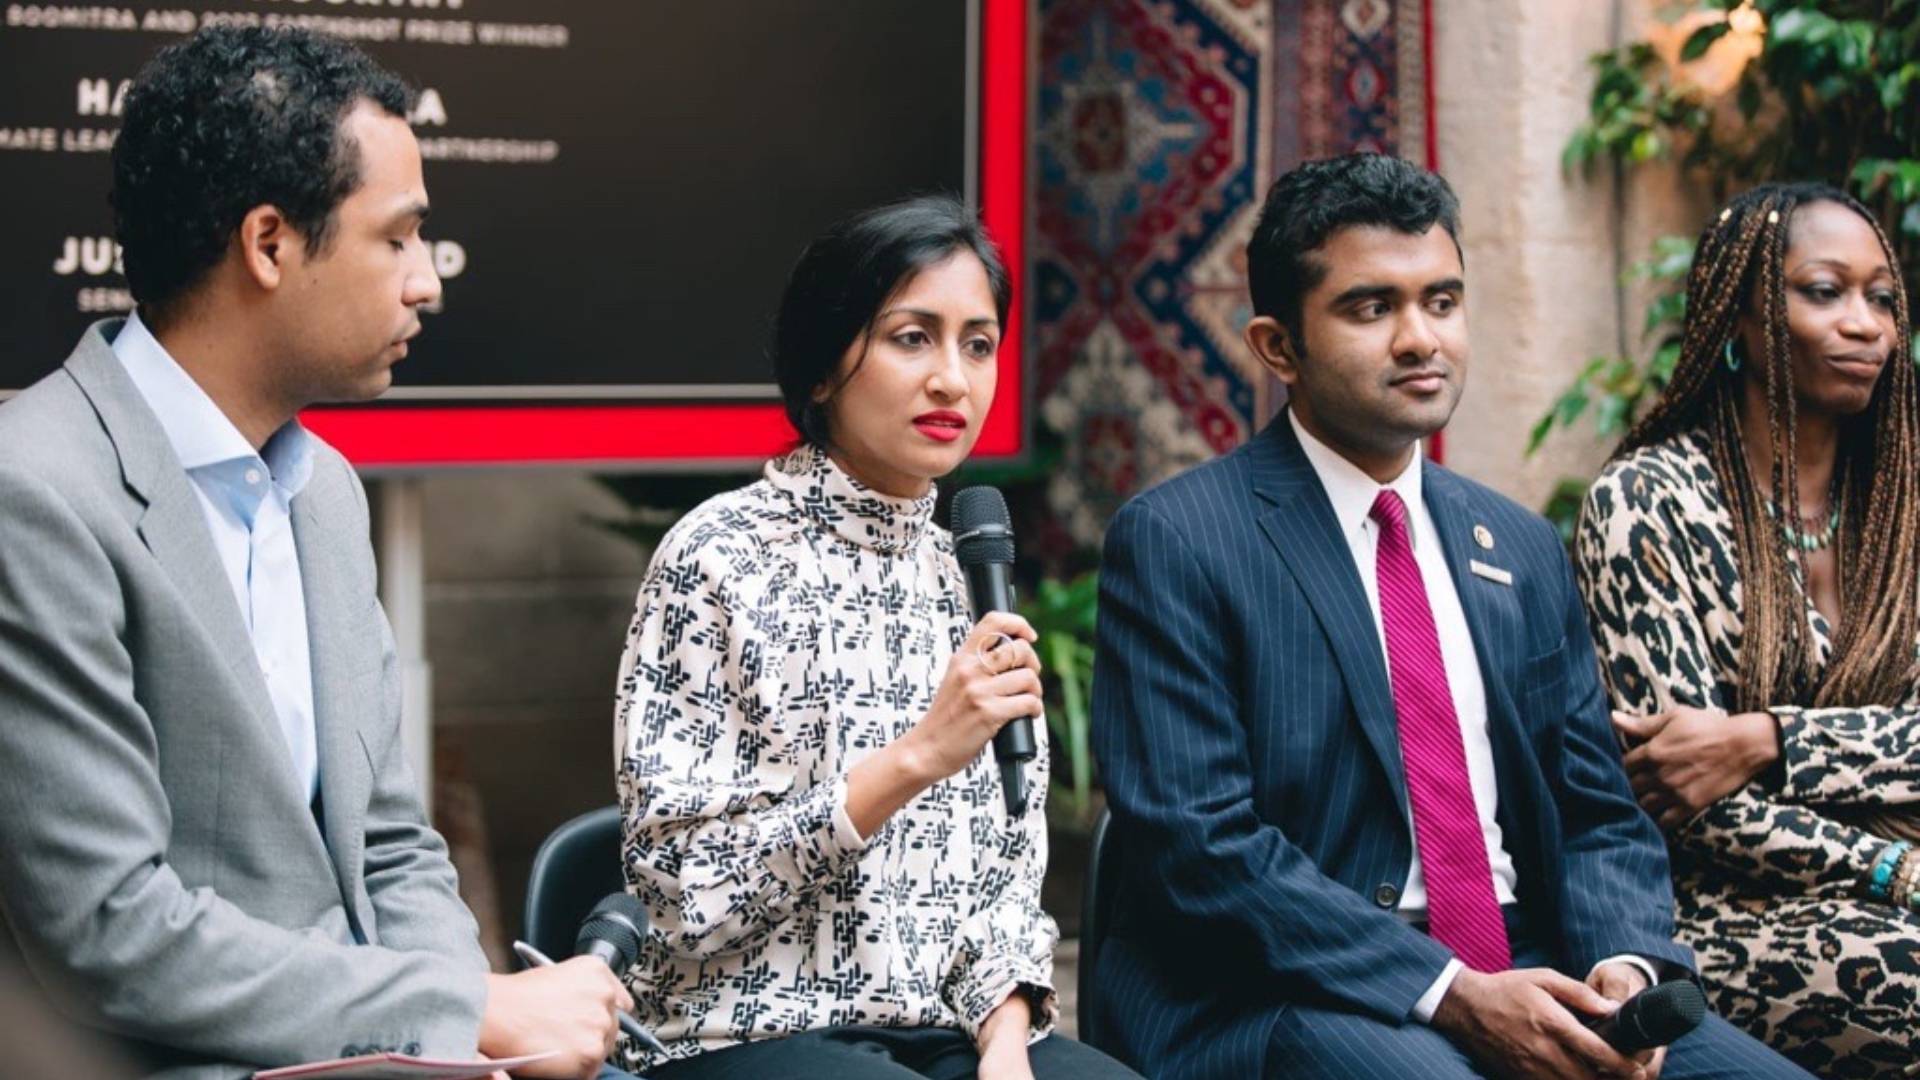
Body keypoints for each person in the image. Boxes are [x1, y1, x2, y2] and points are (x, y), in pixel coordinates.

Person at [1087, 153, 1811, 1079]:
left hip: (1529, 966)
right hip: (1280, 990)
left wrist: (1623, 970)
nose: (1421, 339)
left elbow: (1598, 814)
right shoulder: (1179, 540)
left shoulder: (1517, 544)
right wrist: (1451, 991)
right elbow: (1202, 847)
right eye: (1370, 308)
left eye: (1442, 300)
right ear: (1277, 347)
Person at [0, 27, 632, 1079]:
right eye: (397, 239)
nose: (426, 283)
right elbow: (109, 929)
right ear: (269, 244)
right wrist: (466, 1008)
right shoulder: (36, 490)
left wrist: (463, 1054)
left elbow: (391, 843)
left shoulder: (326, 491)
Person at [611, 195, 1139, 1080]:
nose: (953, 379)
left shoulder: (971, 576)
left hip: (949, 1036)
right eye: (911, 337)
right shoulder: (716, 560)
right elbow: (678, 893)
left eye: (977, 344)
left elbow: (1007, 879)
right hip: (743, 1031)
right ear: (823, 370)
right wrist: (915, 759)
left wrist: (1007, 1046)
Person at [1576, 182, 1920, 1076]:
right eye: (1824, 291)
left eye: (1882, 297)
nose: (1866, 324)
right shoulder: (1646, 504)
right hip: (1731, 912)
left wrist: (1769, 739)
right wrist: (1891, 871)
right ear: (1741, 316)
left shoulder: (1901, 509)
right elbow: (1683, 794)